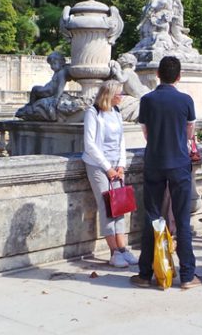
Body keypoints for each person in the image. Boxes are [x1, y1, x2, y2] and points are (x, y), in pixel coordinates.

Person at [131, 56, 202, 290]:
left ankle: (145, 273)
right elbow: (190, 132)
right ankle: (187, 275)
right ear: (179, 76)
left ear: (157, 75)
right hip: (179, 163)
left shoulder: (147, 100)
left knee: (152, 217)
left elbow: (146, 132)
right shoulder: (185, 100)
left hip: (154, 162)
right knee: (182, 219)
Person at [82, 80, 138, 268]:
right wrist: (107, 168)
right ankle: (114, 252)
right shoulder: (93, 112)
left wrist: (121, 165)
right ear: (110, 95)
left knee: (119, 206)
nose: (122, 97)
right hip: (98, 166)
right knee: (107, 206)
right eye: (119, 94)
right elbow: (90, 144)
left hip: (115, 166)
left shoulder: (116, 112)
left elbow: (121, 141)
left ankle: (122, 248)